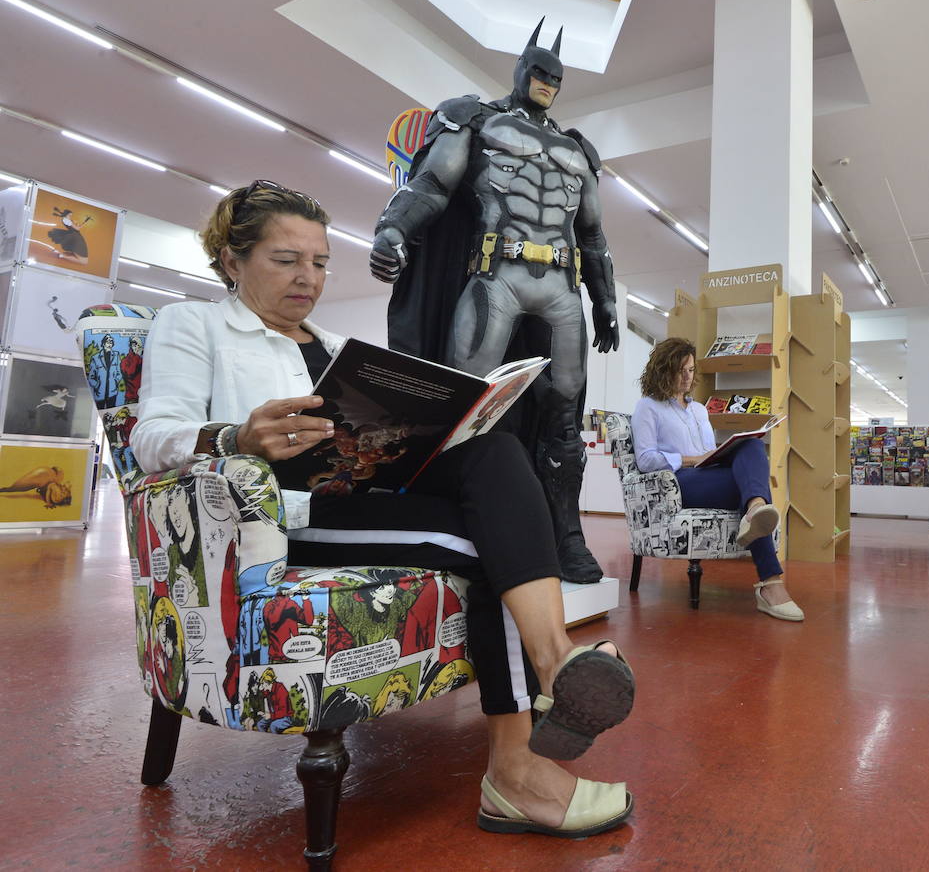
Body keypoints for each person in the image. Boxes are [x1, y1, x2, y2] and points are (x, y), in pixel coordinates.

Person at [131, 181, 635, 838]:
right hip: (283, 519)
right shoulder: (193, 324)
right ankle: (521, 758)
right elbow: (151, 439)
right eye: (286, 260)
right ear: (232, 260)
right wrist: (235, 436)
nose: (307, 278)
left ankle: (550, 667)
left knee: (497, 454)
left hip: (364, 494)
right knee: (494, 546)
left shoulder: (337, 346)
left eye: (318, 262)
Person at [369, 18, 618, 586]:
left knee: (563, 415)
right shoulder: (475, 119)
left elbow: (594, 236)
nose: (548, 82)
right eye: (539, 71)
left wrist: (604, 301)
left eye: (556, 77)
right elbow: (433, 185)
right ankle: (453, 519)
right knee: (464, 404)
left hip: (559, 283)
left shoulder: (579, 151)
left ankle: (566, 535)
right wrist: (393, 232)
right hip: (496, 272)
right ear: (520, 69)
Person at [630, 337, 802, 622]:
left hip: (707, 473)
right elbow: (645, 459)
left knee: (752, 446)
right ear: (664, 370)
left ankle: (756, 509)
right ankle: (770, 585)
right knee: (745, 485)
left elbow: (707, 451)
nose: (688, 377)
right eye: (681, 370)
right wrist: (689, 459)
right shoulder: (647, 407)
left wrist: (719, 453)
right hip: (679, 482)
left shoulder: (698, 409)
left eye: (691, 370)